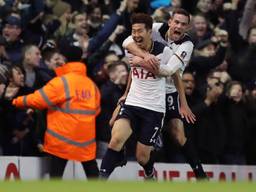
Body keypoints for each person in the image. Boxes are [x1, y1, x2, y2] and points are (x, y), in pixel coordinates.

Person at [99, 12, 191, 180]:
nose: (135, 35)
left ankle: (149, 173)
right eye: (133, 31)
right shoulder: (130, 47)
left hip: (154, 109)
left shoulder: (164, 51)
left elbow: (175, 75)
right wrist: (126, 94)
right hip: (133, 103)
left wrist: (183, 103)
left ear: (150, 31)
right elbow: (133, 73)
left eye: (140, 31)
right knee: (115, 139)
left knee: (142, 158)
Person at [123, 8, 207, 179]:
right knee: (122, 124)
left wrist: (143, 61)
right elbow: (127, 41)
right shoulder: (155, 29)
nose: (179, 26)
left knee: (177, 133)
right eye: (176, 22)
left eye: (183, 24)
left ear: (188, 27)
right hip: (146, 88)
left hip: (168, 91)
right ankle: (144, 169)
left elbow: (169, 71)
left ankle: (200, 176)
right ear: (169, 22)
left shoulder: (187, 44)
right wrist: (143, 56)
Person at [12, 45, 101, 179]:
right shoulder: (91, 84)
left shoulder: (61, 82)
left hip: (61, 141)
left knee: (56, 180)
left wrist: (14, 101)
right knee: (94, 178)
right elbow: (96, 110)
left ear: (64, 59)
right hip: (85, 143)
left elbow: (37, 100)